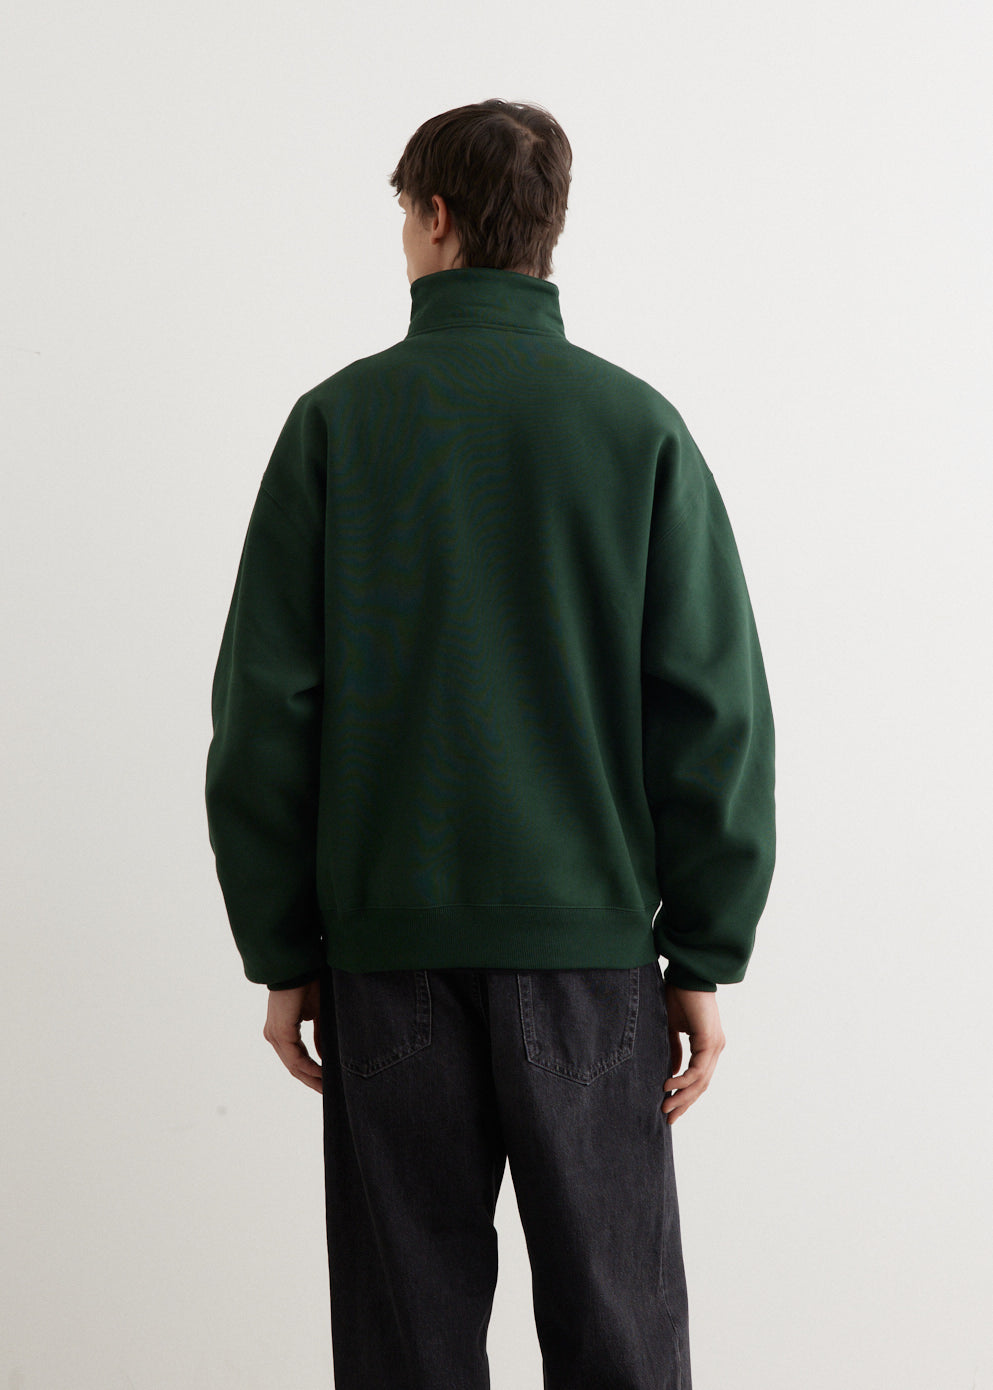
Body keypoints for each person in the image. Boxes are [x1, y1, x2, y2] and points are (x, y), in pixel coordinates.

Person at [205, 98, 775, 1390]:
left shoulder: (337, 424)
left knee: (406, 1347)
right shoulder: (636, 426)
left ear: (435, 215)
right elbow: (712, 710)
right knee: (619, 1340)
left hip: (387, 956)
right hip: (587, 965)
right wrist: (702, 949)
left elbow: (264, 717)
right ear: (548, 229)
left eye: (403, 213)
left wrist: (283, 951)